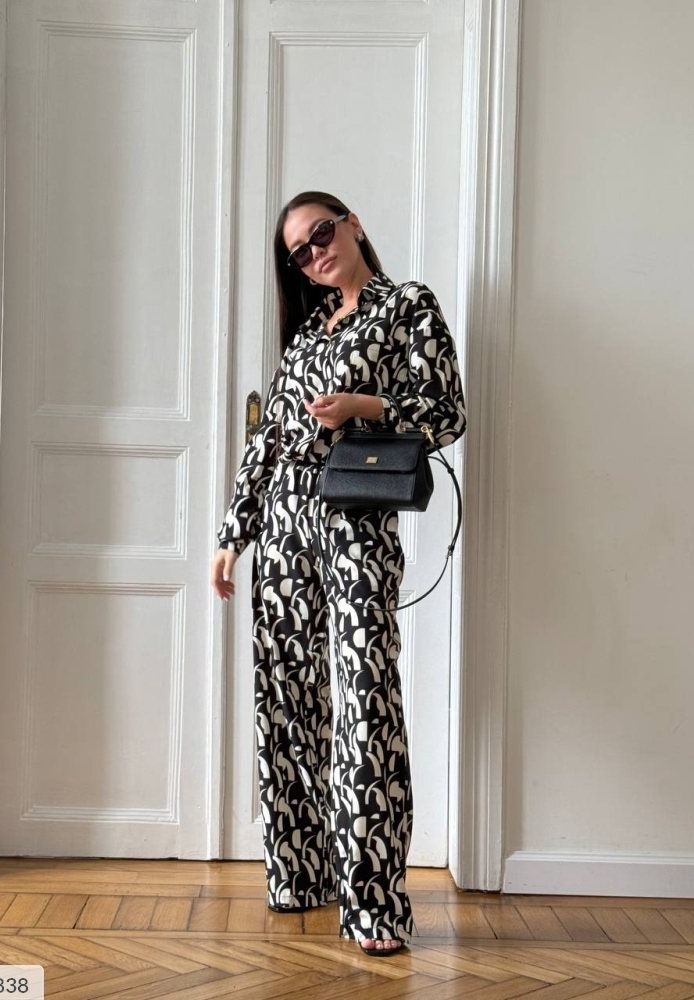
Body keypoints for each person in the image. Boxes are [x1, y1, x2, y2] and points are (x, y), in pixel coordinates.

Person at [211, 190, 466, 957]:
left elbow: (447, 412)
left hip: (356, 519)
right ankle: (301, 873)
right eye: (298, 251)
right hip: (283, 527)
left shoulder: (407, 305)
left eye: (320, 233)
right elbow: (267, 441)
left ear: (352, 224)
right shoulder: (307, 331)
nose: (314, 252)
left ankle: (376, 906)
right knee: (287, 702)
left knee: (366, 706)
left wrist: (365, 405)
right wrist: (233, 534)